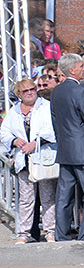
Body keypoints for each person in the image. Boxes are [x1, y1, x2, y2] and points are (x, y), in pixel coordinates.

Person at [49, 53, 84, 241]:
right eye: (81, 66)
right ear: (72, 70)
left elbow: (56, 123)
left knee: (64, 195)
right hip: (83, 150)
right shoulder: (80, 90)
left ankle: (62, 236)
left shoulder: (56, 91)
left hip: (65, 149)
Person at [1, 78, 57, 242]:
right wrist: (15, 141)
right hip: (23, 160)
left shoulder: (46, 106)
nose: (30, 92)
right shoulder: (14, 111)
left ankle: (50, 232)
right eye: (25, 91)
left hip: (43, 158)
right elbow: (4, 131)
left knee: (48, 197)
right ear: (19, 94)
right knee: (26, 199)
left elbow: (52, 129)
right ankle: (23, 233)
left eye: (32, 89)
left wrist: (35, 143)